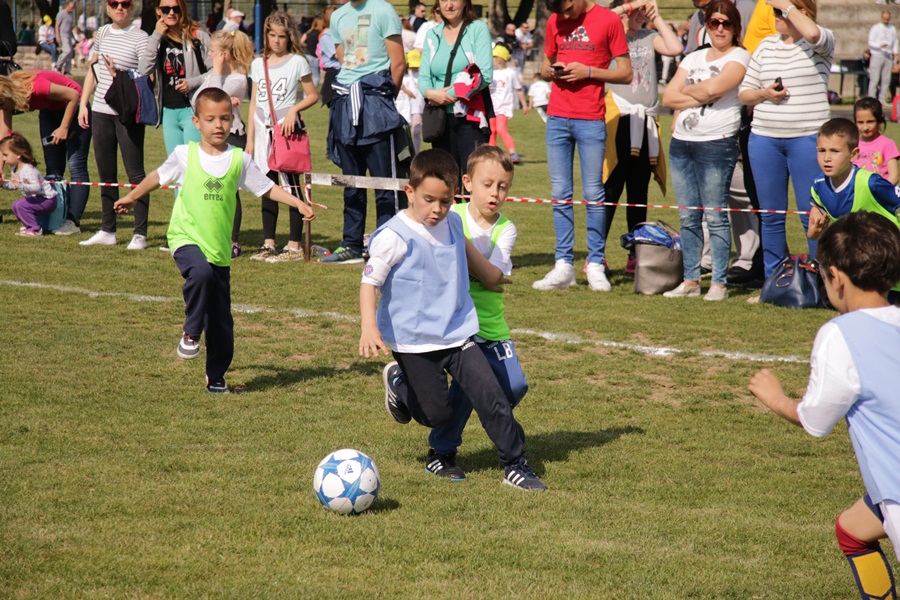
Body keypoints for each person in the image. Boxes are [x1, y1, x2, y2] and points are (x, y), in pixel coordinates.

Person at [358, 148, 547, 491]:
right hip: (414, 341)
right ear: (410, 192)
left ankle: (515, 465)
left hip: (458, 332)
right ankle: (401, 383)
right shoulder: (394, 236)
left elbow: (472, 258)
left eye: (445, 202)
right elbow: (369, 282)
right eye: (429, 200)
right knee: (436, 415)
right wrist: (369, 327)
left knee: (491, 396)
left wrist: (492, 277)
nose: (437, 209)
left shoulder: (454, 222)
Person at [113, 88, 316, 393]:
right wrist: (132, 196)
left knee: (221, 323)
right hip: (185, 237)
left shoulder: (239, 160)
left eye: (224, 118)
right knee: (201, 273)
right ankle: (191, 331)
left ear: (232, 120)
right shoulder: (185, 155)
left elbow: (266, 188)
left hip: (219, 250)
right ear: (196, 122)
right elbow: (157, 176)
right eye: (210, 119)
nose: (218, 125)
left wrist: (297, 203)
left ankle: (216, 376)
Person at [748, 210, 900, 600]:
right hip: (890, 490)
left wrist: (775, 397)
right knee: (853, 530)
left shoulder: (841, 333)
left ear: (836, 278)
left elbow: (815, 420)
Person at [421, 145, 532, 482]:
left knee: (514, 387)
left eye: (503, 186)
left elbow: (492, 276)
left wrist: (464, 253)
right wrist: (484, 273)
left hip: (491, 323)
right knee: (470, 388)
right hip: (457, 324)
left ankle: (496, 422)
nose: (495, 193)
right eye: (487, 184)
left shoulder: (506, 229)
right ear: (467, 183)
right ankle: (441, 451)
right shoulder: (450, 216)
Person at [532, 0, 632, 292]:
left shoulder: (608, 21)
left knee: (593, 193)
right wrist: (552, 72)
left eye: (567, 9)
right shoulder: (554, 20)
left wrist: (588, 72)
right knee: (560, 193)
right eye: (559, 12)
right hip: (557, 117)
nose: (564, 16)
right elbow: (544, 67)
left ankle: (596, 263)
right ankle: (563, 265)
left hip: (591, 118)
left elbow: (626, 72)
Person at [739, 0, 834, 278]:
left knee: (812, 214)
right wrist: (765, 94)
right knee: (770, 215)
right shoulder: (766, 46)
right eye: (774, 11)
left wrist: (785, 5)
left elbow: (813, 33)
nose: (775, 15)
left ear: (801, 11)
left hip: (808, 139)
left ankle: (821, 280)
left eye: (780, 11)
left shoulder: (821, 41)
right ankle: (775, 281)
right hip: (764, 139)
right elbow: (745, 93)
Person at [662, 1, 749, 301]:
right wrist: (699, 94)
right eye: (714, 23)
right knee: (688, 217)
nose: (720, 29)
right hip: (682, 142)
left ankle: (719, 284)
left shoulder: (740, 56)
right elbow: (668, 97)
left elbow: (715, 89)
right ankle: (690, 280)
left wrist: (689, 93)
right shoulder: (694, 57)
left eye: (726, 23)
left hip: (716, 142)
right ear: (707, 26)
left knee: (715, 216)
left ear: (735, 27)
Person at [322, 0, 406, 265]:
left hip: (375, 105)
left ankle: (387, 246)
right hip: (345, 103)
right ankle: (352, 245)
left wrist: (382, 99)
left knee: (385, 184)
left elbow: (398, 63)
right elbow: (344, 60)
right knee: (351, 183)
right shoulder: (338, 16)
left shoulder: (384, 10)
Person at [603, 0, 683, 275]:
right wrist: (629, 7)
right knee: (612, 187)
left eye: (642, 11)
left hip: (646, 121)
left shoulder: (648, 36)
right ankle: (597, 253)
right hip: (620, 119)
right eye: (634, 11)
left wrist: (656, 17)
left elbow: (675, 48)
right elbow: (604, 18)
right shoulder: (611, 34)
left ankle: (635, 254)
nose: (639, 15)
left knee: (639, 190)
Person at [245, 12, 319, 264]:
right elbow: (253, 102)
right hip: (262, 132)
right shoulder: (258, 64)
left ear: (289, 37)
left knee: (291, 187)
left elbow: (312, 95)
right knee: (267, 187)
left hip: (285, 133)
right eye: (272, 35)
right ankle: (269, 243)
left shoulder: (298, 62)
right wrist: (250, 140)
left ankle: (294, 245)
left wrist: (294, 110)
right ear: (266, 35)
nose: (276, 41)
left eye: (282, 36)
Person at [78, 0, 150, 249]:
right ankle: (108, 230)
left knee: (136, 174)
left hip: (127, 112)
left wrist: (119, 75)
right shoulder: (102, 33)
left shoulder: (141, 37)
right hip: (100, 110)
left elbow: (146, 77)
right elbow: (93, 69)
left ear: (132, 8)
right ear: (107, 8)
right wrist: (83, 104)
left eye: (125, 3)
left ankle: (139, 234)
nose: (120, 8)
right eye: (114, 3)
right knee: (106, 174)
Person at [804, 118, 900, 302]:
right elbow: (814, 226)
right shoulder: (818, 185)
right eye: (821, 150)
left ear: (854, 154)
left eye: (835, 151)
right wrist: (816, 229)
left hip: (890, 261)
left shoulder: (871, 183)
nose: (827, 158)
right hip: (859, 267)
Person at [0, 70, 91, 235]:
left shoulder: (36, 87)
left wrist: (64, 127)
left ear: (6, 95)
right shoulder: (6, 100)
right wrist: (0, 168)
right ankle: (55, 220)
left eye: (2, 106)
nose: (3, 109)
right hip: (50, 111)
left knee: (76, 165)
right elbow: (4, 138)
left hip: (76, 108)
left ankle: (73, 222)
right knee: (53, 169)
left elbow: (74, 95)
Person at [194, 29, 255, 259]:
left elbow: (212, 97)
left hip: (232, 136)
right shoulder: (214, 75)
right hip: (212, 138)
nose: (209, 55)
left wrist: (217, 72)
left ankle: (233, 240)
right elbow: (198, 102)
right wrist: (216, 75)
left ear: (225, 55)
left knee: (229, 191)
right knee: (210, 188)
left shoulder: (237, 79)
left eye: (213, 52)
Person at [418, 0, 494, 176]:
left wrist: (447, 96)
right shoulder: (431, 34)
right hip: (440, 119)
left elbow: (484, 74)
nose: (449, 5)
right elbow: (423, 77)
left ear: (465, 3)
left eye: (454, 0)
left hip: (470, 117)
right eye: (444, 0)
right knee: (445, 179)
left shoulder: (477, 29)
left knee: (472, 178)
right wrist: (430, 93)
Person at [138, 0, 212, 164]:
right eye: (166, 9)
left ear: (182, 9)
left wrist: (192, 83)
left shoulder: (197, 35)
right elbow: (144, 69)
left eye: (176, 9)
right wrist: (156, 35)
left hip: (193, 109)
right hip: (169, 111)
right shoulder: (158, 39)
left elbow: (215, 71)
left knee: (193, 163)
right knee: (176, 165)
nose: (171, 13)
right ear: (158, 11)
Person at [0, 133, 57, 237]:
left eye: (5, 155)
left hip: (47, 200)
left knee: (20, 205)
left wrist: (20, 185)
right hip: (38, 199)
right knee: (15, 205)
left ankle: (35, 229)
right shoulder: (15, 168)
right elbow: (14, 185)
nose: (3, 159)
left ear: (18, 154)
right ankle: (29, 226)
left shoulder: (29, 170)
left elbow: (36, 188)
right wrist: (3, 184)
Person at [488, 44, 528, 163]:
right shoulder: (491, 73)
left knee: (501, 128)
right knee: (492, 130)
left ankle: (513, 154)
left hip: (504, 107)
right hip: (492, 107)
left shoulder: (510, 73)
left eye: (493, 59)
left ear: (499, 59)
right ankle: (492, 154)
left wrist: (524, 105)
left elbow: (519, 89)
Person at [854, 96, 900, 184]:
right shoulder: (853, 144)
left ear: (879, 119)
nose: (865, 127)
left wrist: (881, 190)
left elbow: (894, 176)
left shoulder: (887, 144)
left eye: (870, 122)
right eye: (860, 122)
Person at [396, 49, 425, 154]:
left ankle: (416, 152)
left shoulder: (421, 75)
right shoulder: (404, 76)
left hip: (417, 107)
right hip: (404, 107)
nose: (414, 68)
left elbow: (414, 93)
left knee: (416, 131)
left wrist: (403, 88)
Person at [868, 10, 898, 108]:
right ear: (881, 17)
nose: (886, 20)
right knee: (874, 79)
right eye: (884, 18)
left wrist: (895, 52)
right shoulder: (876, 28)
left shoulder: (892, 28)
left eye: (887, 19)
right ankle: (871, 99)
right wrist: (879, 46)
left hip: (888, 56)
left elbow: (895, 41)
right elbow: (870, 42)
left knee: (886, 79)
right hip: (877, 55)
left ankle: (882, 100)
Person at [317, 6, 340, 106]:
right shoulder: (326, 37)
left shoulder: (338, 34)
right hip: (334, 74)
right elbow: (338, 55)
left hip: (341, 73)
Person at [300, 15, 323, 88]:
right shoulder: (320, 33)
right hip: (314, 56)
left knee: (307, 77)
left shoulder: (309, 32)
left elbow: (301, 42)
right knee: (316, 77)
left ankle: (306, 92)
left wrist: (307, 45)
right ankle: (311, 91)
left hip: (307, 55)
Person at [54, 1, 76, 75]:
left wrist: (74, 38)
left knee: (70, 53)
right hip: (63, 35)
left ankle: (67, 70)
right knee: (67, 51)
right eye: (71, 7)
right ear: (68, 6)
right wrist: (57, 36)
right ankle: (58, 65)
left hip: (69, 35)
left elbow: (70, 28)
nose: (72, 9)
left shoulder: (71, 15)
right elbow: (57, 25)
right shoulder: (61, 14)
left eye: (73, 8)